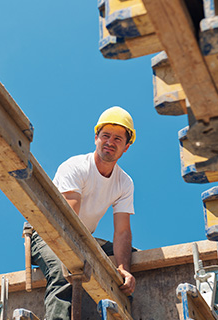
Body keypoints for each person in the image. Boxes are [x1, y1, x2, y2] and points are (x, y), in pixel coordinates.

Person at [30, 106, 137, 320]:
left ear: (126, 147)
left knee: (134, 257)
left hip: (84, 240)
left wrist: (123, 268)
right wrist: (80, 256)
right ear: (95, 138)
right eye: (105, 135)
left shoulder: (124, 183)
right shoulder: (76, 167)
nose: (110, 142)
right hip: (49, 234)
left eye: (118, 139)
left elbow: (122, 232)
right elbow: (67, 221)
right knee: (64, 271)